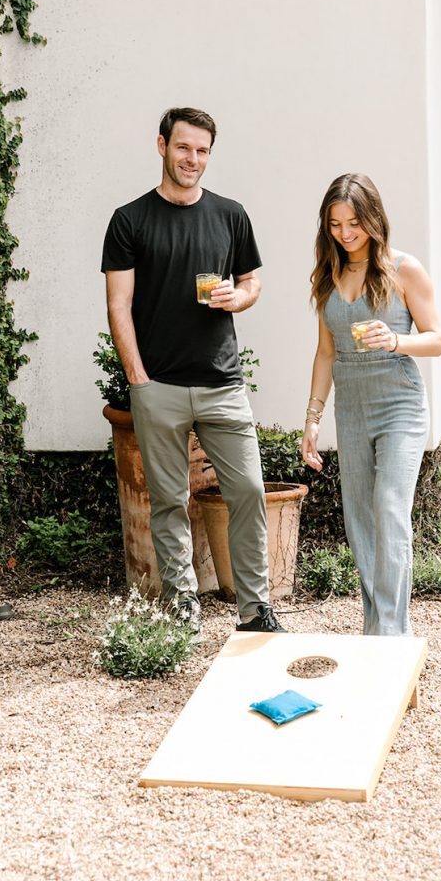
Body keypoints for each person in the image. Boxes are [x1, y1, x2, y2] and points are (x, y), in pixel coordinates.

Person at [101, 106, 285, 636]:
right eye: (184, 148)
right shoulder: (129, 220)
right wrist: (137, 378)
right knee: (167, 501)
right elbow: (119, 305)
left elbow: (253, 282)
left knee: (248, 488)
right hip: (157, 385)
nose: (193, 159)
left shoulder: (230, 214)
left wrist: (238, 297)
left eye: (202, 151)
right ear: (162, 146)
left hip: (222, 383)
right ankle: (182, 603)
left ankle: (254, 610)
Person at [301, 174, 441, 636]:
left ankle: (390, 635)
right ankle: (376, 626)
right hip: (352, 408)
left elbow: (438, 340)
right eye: (336, 224)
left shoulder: (404, 269)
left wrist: (397, 340)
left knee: (388, 508)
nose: (346, 233)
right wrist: (312, 419)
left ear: (373, 219)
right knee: (360, 522)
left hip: (399, 403)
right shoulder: (328, 275)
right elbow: (326, 352)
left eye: (354, 223)